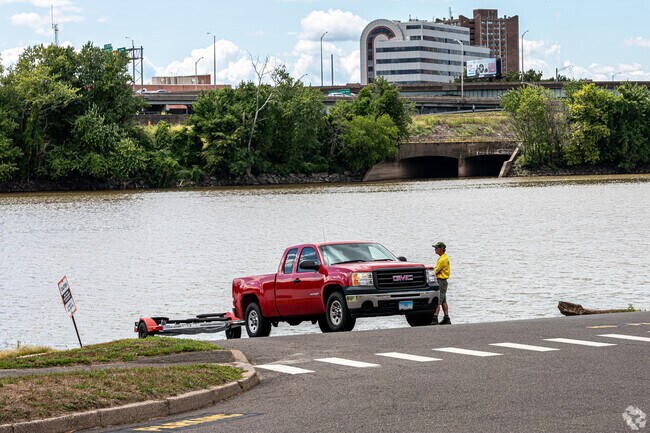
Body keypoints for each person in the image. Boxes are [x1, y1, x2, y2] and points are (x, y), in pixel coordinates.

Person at [432, 242, 451, 325]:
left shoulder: (442, 259)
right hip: (443, 282)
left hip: (441, 281)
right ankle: (446, 318)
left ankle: (435, 318)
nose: (435, 249)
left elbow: (436, 270)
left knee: (438, 301)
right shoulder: (443, 258)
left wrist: (429, 273)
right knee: (443, 301)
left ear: (441, 249)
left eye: (436, 248)